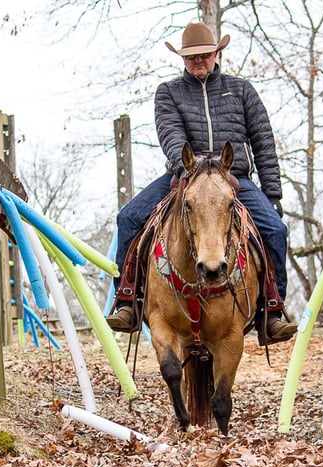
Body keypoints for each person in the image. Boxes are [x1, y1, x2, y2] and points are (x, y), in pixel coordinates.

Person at [107, 21, 297, 344]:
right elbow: (170, 135)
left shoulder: (242, 90)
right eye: (192, 56)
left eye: (205, 55)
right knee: (128, 218)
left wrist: (273, 194)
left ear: (216, 53)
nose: (199, 61)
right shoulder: (168, 93)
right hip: (185, 175)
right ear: (183, 59)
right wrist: (187, 169)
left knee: (276, 230)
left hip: (233, 178)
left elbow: (263, 142)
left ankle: (272, 310)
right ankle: (127, 301)